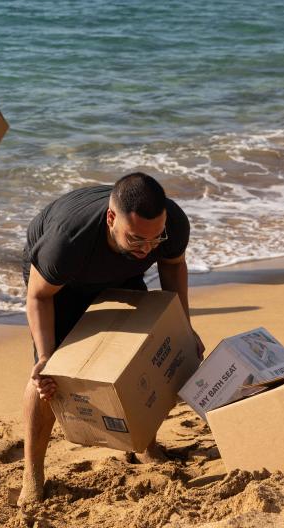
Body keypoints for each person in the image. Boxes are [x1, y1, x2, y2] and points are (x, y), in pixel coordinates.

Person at [19, 172, 204, 505]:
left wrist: (183, 327)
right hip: (59, 287)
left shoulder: (171, 224)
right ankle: (32, 473)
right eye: (136, 240)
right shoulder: (67, 242)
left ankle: (145, 444)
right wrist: (46, 356)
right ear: (110, 218)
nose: (146, 249)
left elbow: (173, 267)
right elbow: (38, 296)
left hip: (121, 276)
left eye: (154, 239)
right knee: (47, 380)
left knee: (148, 355)